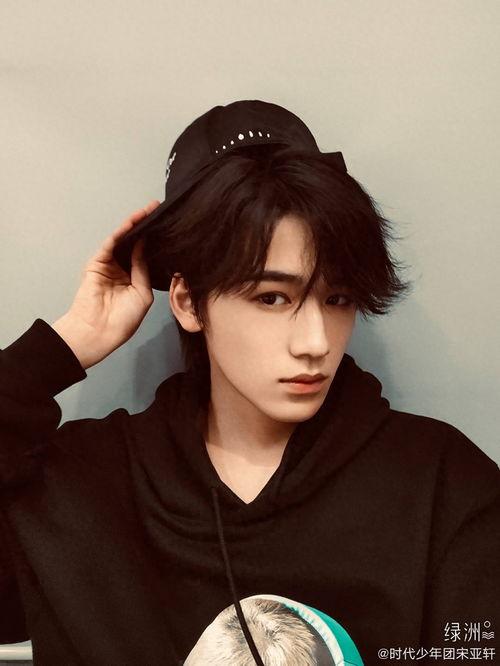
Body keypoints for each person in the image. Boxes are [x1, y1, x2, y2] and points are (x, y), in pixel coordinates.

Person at [0, 100, 498, 666]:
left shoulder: (441, 483)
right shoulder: (84, 486)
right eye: (272, 298)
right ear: (188, 302)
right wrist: (62, 346)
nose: (315, 341)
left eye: (337, 298)